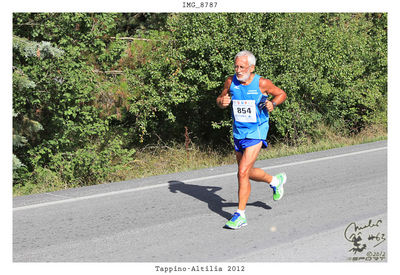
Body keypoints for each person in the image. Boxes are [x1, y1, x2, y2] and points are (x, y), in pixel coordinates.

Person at [216, 50, 287, 229]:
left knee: (241, 172)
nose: (238, 70)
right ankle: (275, 181)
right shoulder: (231, 82)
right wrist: (221, 102)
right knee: (246, 172)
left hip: (257, 131)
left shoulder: (262, 83)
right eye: (236, 66)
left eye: (242, 67)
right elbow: (220, 98)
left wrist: (273, 104)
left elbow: (281, 94)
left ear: (251, 68)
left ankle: (240, 215)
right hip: (239, 131)